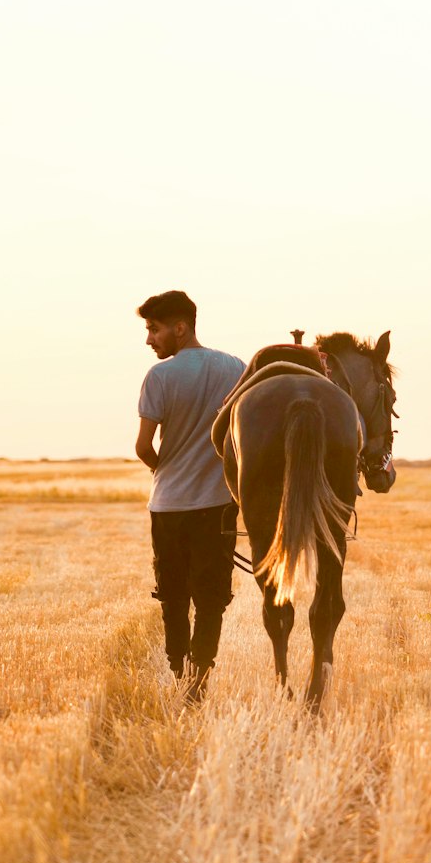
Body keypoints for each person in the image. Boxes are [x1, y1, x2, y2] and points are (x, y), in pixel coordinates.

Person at [135, 290, 245, 700]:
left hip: (169, 506)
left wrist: (165, 469)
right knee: (212, 597)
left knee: (174, 596)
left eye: (154, 329)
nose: (150, 340)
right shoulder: (235, 367)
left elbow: (144, 447)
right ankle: (200, 679)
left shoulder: (160, 377)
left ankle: (178, 672)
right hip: (218, 505)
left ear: (180, 328)